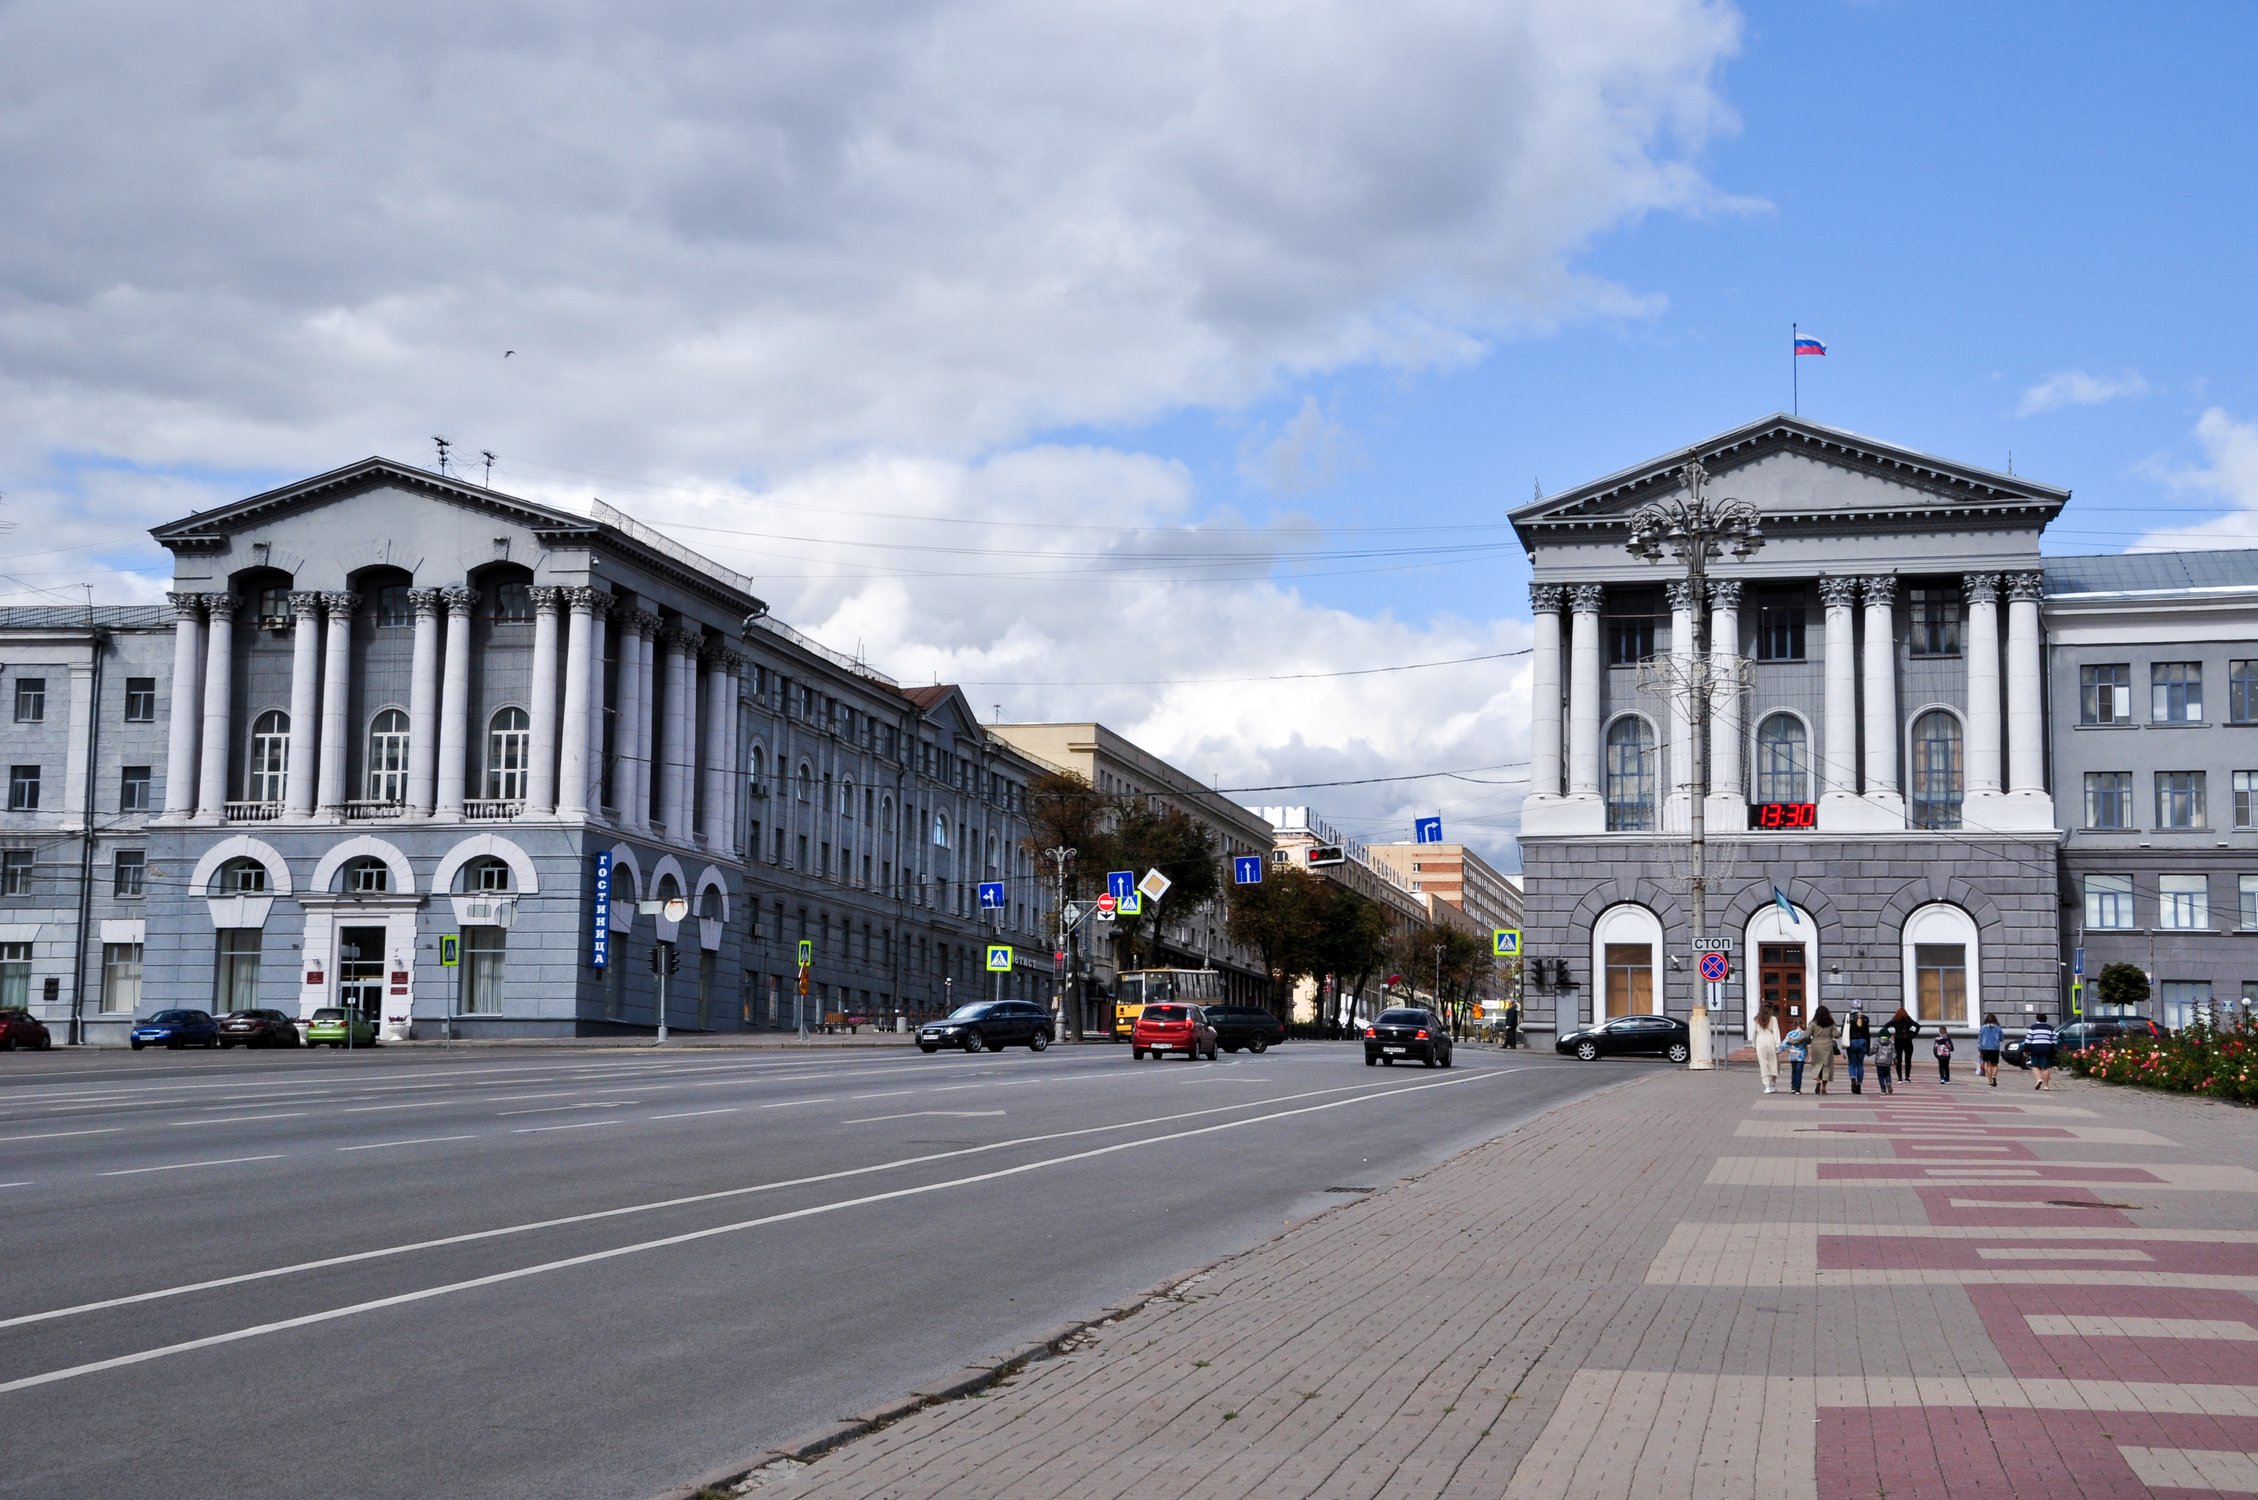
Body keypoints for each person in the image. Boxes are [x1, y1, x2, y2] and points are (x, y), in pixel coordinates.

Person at [1809, 1005, 1839, 1094]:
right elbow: (1836, 1035)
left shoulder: (1813, 1023)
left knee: (1817, 1064)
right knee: (1826, 1066)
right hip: (1827, 1046)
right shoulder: (1831, 1023)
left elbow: (1807, 1035)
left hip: (1816, 1045)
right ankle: (1823, 1088)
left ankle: (1817, 1081)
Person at [1753, 1002, 1783, 1094]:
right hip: (1770, 1040)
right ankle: (1772, 1084)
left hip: (1760, 1041)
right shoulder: (1773, 1019)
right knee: (1774, 1062)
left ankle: (1767, 1086)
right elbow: (1776, 1032)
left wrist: (1753, 1044)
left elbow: (1754, 1033)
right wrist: (1778, 1045)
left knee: (1763, 1064)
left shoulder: (1757, 1019)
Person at [2026, 1012, 2059, 1091]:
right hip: (2046, 1048)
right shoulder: (2050, 1028)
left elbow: (2028, 1040)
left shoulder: (2033, 1028)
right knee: (2045, 1067)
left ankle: (2038, 1079)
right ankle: (2046, 1086)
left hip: (2035, 1048)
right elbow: (2055, 1041)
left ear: (2037, 1019)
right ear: (2046, 1019)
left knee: (2034, 1066)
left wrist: (2026, 1049)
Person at [1886, 1006, 1919, 1084]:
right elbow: (1918, 1026)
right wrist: (1913, 1035)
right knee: (1908, 1059)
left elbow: (1885, 1026)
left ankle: (1899, 1078)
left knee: (1898, 1060)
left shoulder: (1895, 1020)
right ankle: (1907, 1077)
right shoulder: (1908, 1020)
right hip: (1908, 1040)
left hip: (1898, 1040)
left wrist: (1890, 1035)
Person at [1845, 1004, 1872, 1095]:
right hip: (1862, 1042)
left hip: (1851, 1042)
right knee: (1860, 1064)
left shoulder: (1848, 1017)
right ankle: (1859, 1084)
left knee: (1852, 1063)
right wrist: (1868, 1047)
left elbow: (1844, 1031)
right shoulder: (1865, 1018)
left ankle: (1853, 1079)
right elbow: (1867, 1034)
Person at [1782, 1018, 1810, 1094]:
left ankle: (1793, 1088)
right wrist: (1807, 1054)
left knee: (1794, 1071)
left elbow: (1784, 1044)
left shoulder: (1790, 1034)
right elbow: (1807, 1044)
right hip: (1801, 1055)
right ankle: (1798, 1089)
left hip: (1793, 1055)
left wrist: (1778, 1051)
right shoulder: (1804, 1034)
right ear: (1802, 1024)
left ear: (1794, 1025)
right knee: (1799, 1072)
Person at [1978, 1012, 2004, 1088]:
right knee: (1995, 1064)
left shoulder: (1983, 1028)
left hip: (1985, 1048)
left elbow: (1979, 1040)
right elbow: (2002, 1038)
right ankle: (1994, 1076)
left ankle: (1990, 1082)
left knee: (1988, 1065)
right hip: (1995, 1048)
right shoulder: (1998, 1028)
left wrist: (1979, 1050)